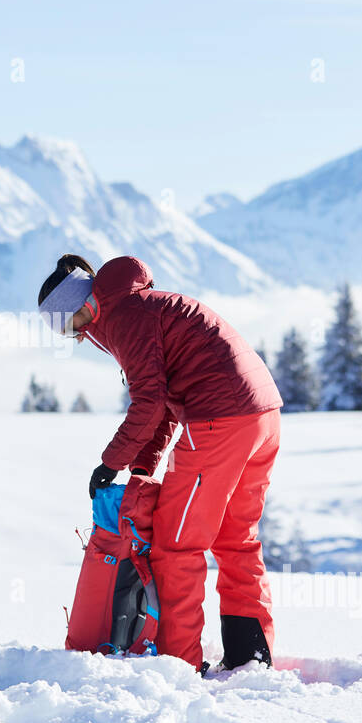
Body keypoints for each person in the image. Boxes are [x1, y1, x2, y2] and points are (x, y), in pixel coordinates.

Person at [38, 253, 283, 673]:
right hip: (262, 414)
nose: (73, 338)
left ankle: (178, 666)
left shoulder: (122, 319)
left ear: (79, 307)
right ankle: (250, 659)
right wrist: (140, 467)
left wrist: (110, 463)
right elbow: (166, 403)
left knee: (175, 545)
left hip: (218, 418)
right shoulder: (136, 305)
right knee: (235, 539)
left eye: (64, 327)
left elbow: (149, 402)